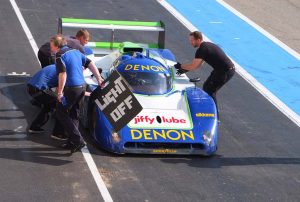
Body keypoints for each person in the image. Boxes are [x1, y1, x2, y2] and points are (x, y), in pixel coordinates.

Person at [50, 34, 103, 153]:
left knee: (60, 112)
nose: (51, 49)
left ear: (57, 46)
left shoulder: (59, 56)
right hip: (82, 87)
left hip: (71, 88)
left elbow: (62, 74)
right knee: (74, 114)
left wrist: (59, 92)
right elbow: (90, 63)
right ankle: (72, 142)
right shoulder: (75, 51)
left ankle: (78, 140)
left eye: (51, 46)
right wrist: (98, 78)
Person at [175, 31, 235, 119]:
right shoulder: (206, 46)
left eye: (192, 40)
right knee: (207, 87)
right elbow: (198, 65)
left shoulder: (202, 49)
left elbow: (194, 66)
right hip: (223, 70)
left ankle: (215, 117)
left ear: (199, 39)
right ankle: (212, 113)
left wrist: (180, 66)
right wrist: (183, 70)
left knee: (210, 90)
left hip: (225, 71)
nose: (191, 42)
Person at [27, 64, 65, 138]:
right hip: (39, 89)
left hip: (31, 88)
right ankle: (58, 133)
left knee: (48, 106)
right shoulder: (63, 72)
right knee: (62, 106)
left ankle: (35, 127)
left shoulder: (56, 66)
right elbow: (59, 91)